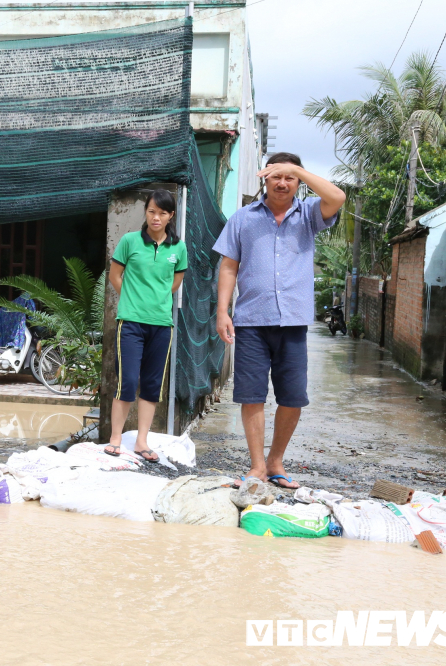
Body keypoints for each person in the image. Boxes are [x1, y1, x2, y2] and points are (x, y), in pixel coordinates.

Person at [212, 152, 346, 489]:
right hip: (251, 321)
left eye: (289, 178)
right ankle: (257, 466)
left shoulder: (310, 216)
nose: (283, 183)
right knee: (251, 394)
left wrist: (297, 168)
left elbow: (337, 197)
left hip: (293, 323)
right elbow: (229, 265)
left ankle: (276, 461)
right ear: (265, 179)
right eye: (276, 177)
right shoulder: (243, 218)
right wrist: (222, 311)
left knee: (292, 397)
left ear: (298, 182)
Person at [104, 189, 188, 462]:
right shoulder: (129, 241)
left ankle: (142, 441)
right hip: (131, 322)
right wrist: (132, 297)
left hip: (162, 324)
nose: (156, 217)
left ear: (170, 215)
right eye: (152, 211)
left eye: (162, 213)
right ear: (146, 212)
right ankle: (116, 438)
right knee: (126, 382)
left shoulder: (178, 247)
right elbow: (115, 275)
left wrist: (158, 299)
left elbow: (175, 283)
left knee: (152, 384)